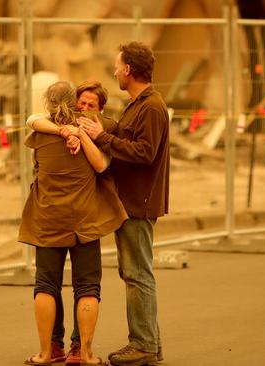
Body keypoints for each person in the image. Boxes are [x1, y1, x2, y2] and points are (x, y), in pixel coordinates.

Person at [18, 81, 127, 366]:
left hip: (48, 219)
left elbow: (32, 121)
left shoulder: (39, 134)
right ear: (75, 101)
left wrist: (64, 129)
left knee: (45, 285)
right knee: (88, 287)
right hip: (84, 221)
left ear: (48, 103)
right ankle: (84, 353)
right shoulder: (89, 129)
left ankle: (46, 352)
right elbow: (102, 166)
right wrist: (76, 131)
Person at [78, 41, 170, 366]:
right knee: (135, 272)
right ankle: (151, 343)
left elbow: (144, 152)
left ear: (128, 70)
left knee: (137, 274)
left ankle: (142, 344)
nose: (115, 71)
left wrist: (102, 137)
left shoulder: (152, 106)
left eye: (118, 66)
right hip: (130, 200)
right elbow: (130, 137)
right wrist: (103, 125)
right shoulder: (138, 104)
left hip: (138, 203)